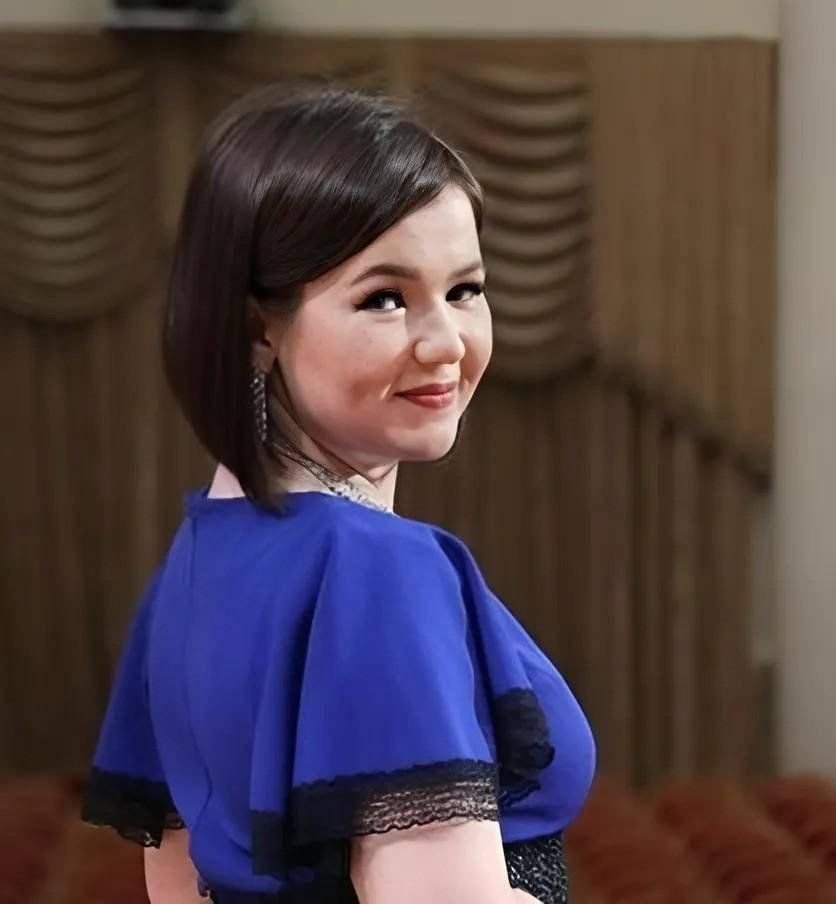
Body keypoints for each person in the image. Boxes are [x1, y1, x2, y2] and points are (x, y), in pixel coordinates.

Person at [80, 84, 596, 904]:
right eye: (385, 298)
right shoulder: (379, 568)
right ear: (258, 329)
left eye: (465, 290)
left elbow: (177, 887)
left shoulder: (196, 561)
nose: (446, 342)